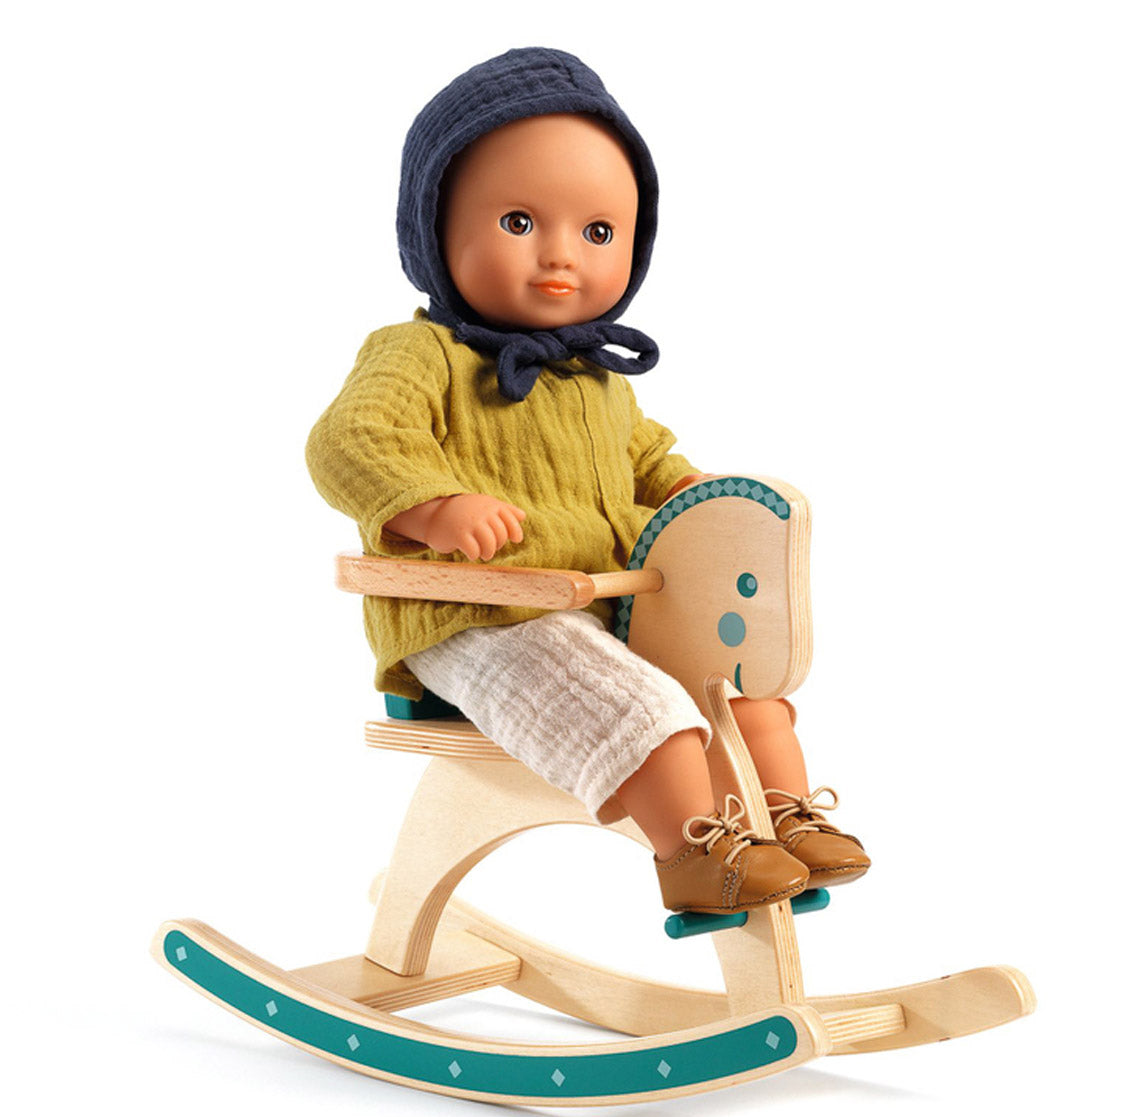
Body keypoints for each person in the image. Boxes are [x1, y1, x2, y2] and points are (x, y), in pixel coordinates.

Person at [307, 47, 869, 914]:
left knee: (735, 684)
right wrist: (434, 506)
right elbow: (348, 439)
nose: (559, 257)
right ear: (434, 226)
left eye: (598, 233)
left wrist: (688, 492)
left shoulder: (596, 377)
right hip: (478, 614)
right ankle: (693, 855)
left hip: (603, 606)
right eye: (519, 222)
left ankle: (783, 814)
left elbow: (645, 460)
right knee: (636, 703)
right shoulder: (419, 353)